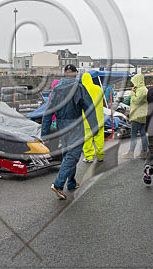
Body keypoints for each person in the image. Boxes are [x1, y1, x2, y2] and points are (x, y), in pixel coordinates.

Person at [41, 64, 98, 199]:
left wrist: (45, 133)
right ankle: (58, 184)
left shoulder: (56, 89)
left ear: (64, 73)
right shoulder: (79, 88)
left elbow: (48, 112)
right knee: (73, 154)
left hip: (61, 125)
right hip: (75, 125)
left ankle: (71, 182)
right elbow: (89, 109)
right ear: (76, 73)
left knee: (67, 152)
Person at [81, 73, 105, 163]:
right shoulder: (98, 88)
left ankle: (89, 156)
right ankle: (100, 156)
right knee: (99, 137)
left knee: (87, 138)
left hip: (87, 119)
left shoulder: (82, 89)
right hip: (99, 117)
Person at [122, 73, 148, 159]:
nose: (133, 84)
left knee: (133, 135)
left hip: (137, 115)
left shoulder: (140, 90)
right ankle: (145, 151)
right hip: (143, 115)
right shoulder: (145, 89)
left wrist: (132, 93)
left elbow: (136, 101)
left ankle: (131, 152)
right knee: (143, 134)